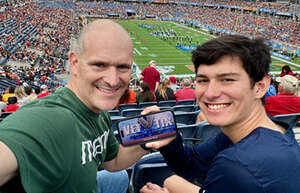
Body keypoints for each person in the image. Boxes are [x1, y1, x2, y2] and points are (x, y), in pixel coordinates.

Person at [0, 19, 149, 193]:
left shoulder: (99, 111)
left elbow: (113, 160)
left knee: (119, 176)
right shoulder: (48, 119)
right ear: (74, 63)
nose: (113, 80)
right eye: (99, 65)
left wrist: (148, 140)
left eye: (123, 67)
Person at [140, 35, 300, 193]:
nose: (210, 93)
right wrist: (171, 141)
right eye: (203, 80)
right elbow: (192, 164)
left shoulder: (235, 166)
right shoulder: (266, 130)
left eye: (227, 80)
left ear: (260, 86)